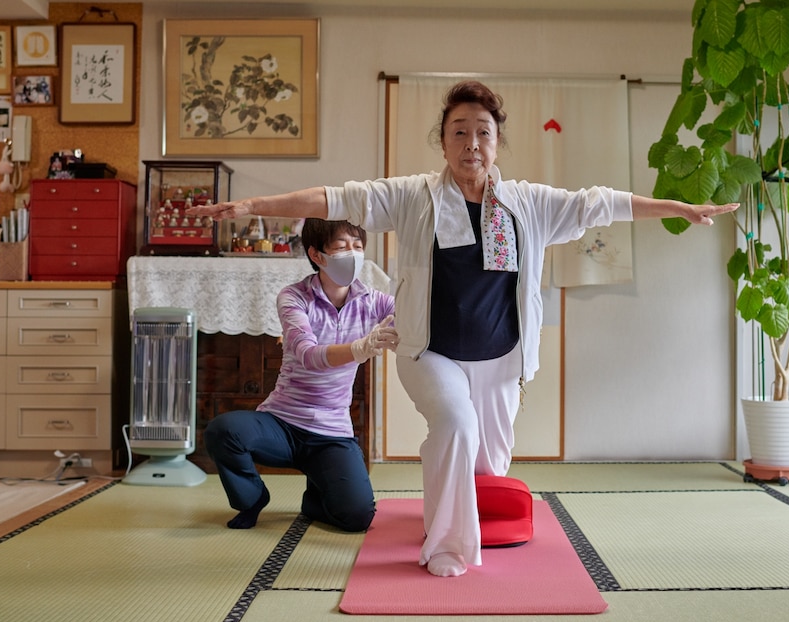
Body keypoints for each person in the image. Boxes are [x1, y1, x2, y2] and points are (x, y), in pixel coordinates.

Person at [188, 80, 739, 576]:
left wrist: (675, 207)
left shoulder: (527, 203)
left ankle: (450, 513)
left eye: (483, 132)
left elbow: (599, 204)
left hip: (502, 355)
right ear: (443, 141)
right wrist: (255, 204)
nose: (471, 143)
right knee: (454, 424)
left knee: (488, 462)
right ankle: (448, 546)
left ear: (496, 142)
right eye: (459, 131)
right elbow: (337, 198)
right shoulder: (413, 196)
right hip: (431, 352)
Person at [203, 218, 397, 532]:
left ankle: (315, 499)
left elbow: (414, 319)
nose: (353, 254)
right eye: (342, 247)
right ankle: (252, 499)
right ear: (317, 255)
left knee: (357, 517)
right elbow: (308, 354)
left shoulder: (373, 301)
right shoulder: (294, 296)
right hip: (282, 422)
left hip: (332, 431)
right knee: (223, 430)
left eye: (358, 246)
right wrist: (359, 348)